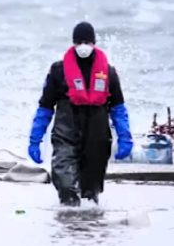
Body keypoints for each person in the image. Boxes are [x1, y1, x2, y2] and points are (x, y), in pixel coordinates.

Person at [27, 22, 133, 206]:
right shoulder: (58, 71)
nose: (83, 46)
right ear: (73, 43)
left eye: (87, 42)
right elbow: (45, 108)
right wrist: (35, 139)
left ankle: (86, 228)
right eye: (79, 42)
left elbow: (118, 109)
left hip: (97, 137)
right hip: (65, 135)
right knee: (66, 185)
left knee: (90, 193)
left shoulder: (108, 73)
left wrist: (125, 137)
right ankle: (67, 222)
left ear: (93, 43)